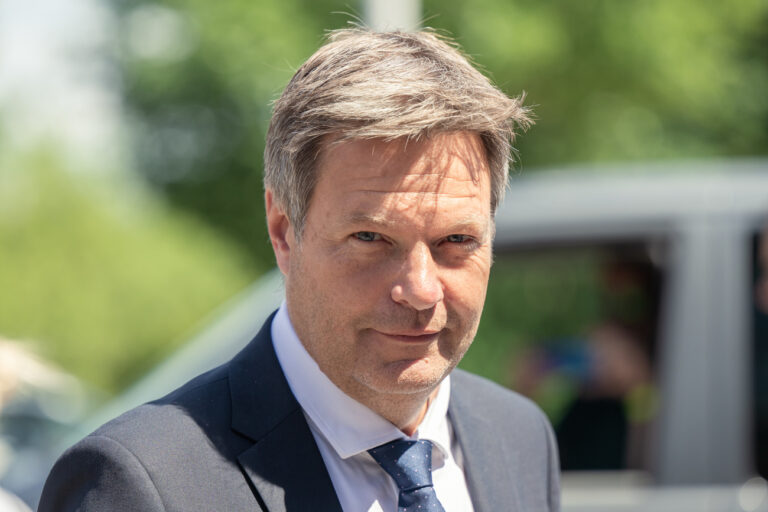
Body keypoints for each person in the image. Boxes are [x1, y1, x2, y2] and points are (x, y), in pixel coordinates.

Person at [39, 29, 560, 511]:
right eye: (372, 239)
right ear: (284, 231)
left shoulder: (519, 439)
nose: (420, 291)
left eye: (456, 241)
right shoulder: (140, 482)